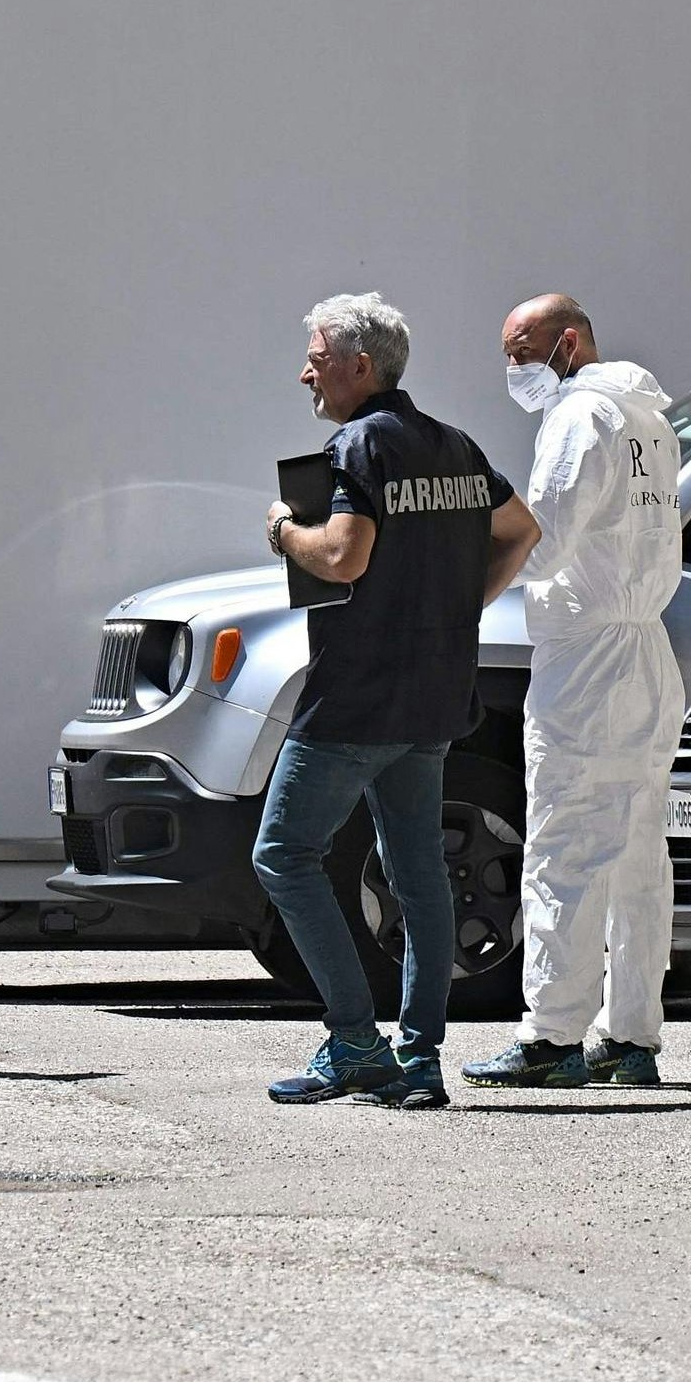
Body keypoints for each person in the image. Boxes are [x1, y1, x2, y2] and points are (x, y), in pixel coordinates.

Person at [252, 292, 538, 1108]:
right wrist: (460, 606)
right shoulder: (454, 446)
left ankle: (354, 1042)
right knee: (420, 878)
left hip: (355, 702)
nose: (304, 370)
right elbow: (521, 530)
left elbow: (342, 557)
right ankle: (420, 1061)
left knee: (283, 856)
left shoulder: (355, 448)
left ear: (359, 366)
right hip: (434, 700)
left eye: (316, 355)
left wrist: (281, 529)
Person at [464, 295, 689, 1090]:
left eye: (521, 350)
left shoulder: (576, 418)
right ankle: (631, 1035)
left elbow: (543, 539)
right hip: (647, 653)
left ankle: (552, 1037)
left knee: (563, 842)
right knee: (636, 856)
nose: (514, 370)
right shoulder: (650, 421)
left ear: (567, 343)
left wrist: (464, 566)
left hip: (587, 657)